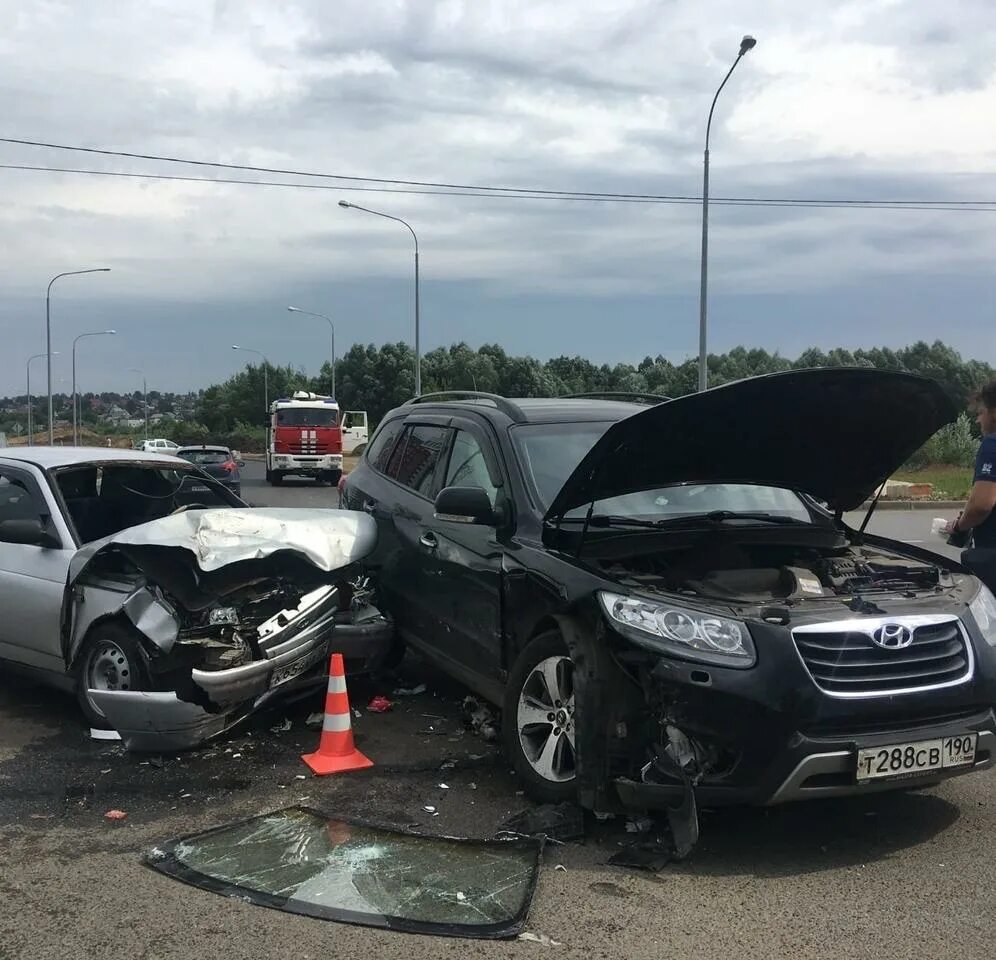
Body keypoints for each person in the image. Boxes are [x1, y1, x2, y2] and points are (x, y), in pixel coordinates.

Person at [946, 382, 996, 593]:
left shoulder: (992, 445)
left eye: (981, 412)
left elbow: (980, 506)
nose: (978, 420)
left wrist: (958, 526)